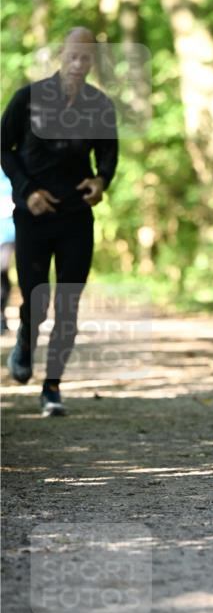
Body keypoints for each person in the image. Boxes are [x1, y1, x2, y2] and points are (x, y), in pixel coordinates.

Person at [0, 27, 118, 415]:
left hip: (75, 217)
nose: (78, 64)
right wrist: (26, 190)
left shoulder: (99, 105)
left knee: (68, 304)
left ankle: (52, 388)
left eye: (86, 58)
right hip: (33, 215)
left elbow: (108, 155)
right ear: (61, 56)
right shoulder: (28, 98)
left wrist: (101, 181)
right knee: (38, 300)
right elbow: (5, 148)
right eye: (72, 56)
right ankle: (26, 338)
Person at [0, 169, 16, 334]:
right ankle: (1, 316)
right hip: (2, 232)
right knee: (2, 272)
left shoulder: (12, 163)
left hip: (17, 228)